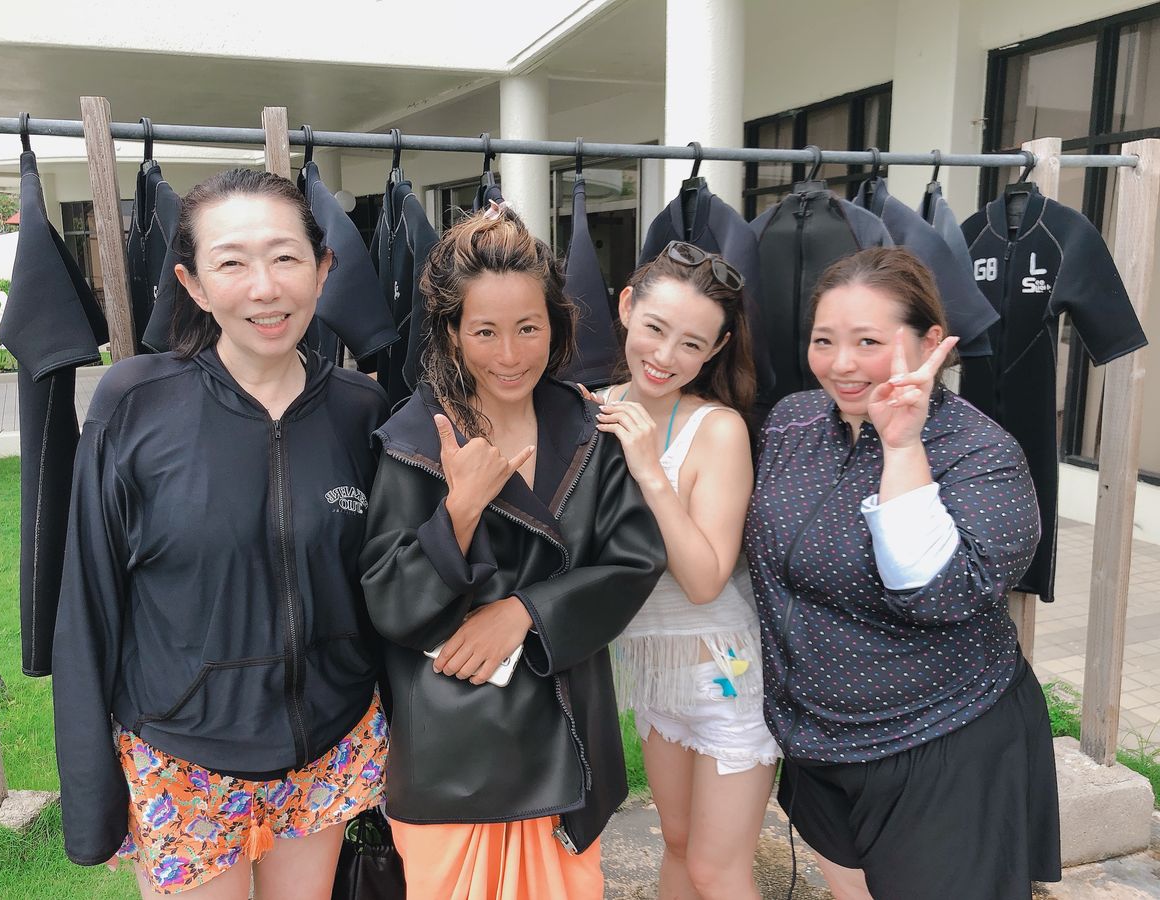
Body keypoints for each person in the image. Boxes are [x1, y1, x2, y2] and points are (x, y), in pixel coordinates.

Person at [51, 169, 390, 899]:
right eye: (232, 262)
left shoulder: (362, 412)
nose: (264, 288)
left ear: (322, 268)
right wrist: (90, 797)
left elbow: (385, 587)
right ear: (194, 285)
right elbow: (87, 606)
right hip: (181, 755)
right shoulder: (133, 406)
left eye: (286, 257)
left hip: (329, 742)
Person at [360, 200, 666, 900]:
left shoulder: (588, 430)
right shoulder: (415, 439)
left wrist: (526, 612)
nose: (509, 355)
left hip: (564, 732)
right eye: (485, 331)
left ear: (554, 324)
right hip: (451, 748)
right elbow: (390, 600)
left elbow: (632, 562)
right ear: (452, 332)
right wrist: (460, 509)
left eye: (528, 328)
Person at [745, 247, 1061, 900]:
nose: (841, 363)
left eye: (868, 341)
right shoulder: (792, 423)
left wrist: (901, 445)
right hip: (817, 740)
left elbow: (936, 594)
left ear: (930, 342)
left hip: (942, 740)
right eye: (824, 340)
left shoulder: (982, 454)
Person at [594, 241, 779, 899]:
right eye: (655, 328)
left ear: (717, 349)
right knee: (676, 842)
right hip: (653, 672)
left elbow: (704, 581)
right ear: (626, 307)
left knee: (716, 868)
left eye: (692, 344)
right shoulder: (592, 410)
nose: (665, 355)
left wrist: (649, 470)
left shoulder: (718, 429)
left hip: (726, 675)